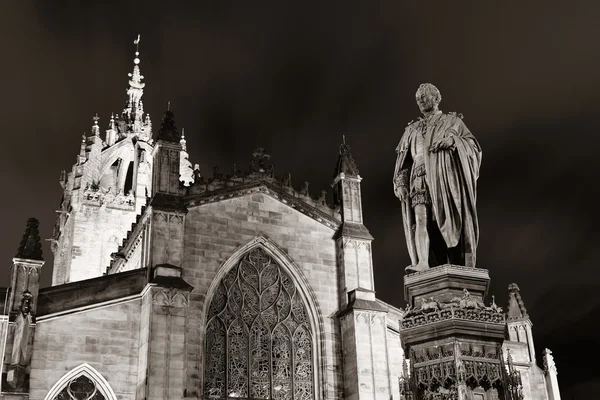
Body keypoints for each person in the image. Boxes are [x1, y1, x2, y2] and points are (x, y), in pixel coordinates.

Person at [393, 83, 482, 271]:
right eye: (418, 99)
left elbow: (473, 147)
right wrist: (400, 182)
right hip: (418, 175)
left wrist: (452, 141)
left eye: (424, 97)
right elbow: (404, 160)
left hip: (444, 178)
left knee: (448, 218)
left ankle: (455, 263)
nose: (420, 101)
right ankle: (423, 263)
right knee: (420, 219)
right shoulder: (412, 129)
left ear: (436, 98)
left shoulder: (452, 121)